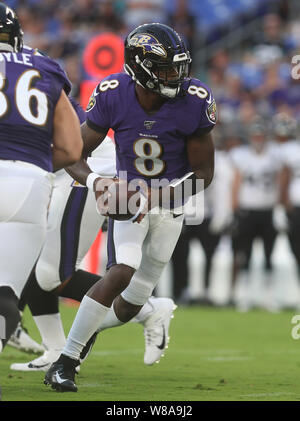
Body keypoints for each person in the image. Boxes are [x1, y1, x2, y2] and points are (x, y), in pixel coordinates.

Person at [44, 22, 216, 392]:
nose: (178, 76)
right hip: (127, 200)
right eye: (168, 68)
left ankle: (146, 312)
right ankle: (65, 361)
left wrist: (157, 196)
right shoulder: (112, 95)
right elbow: (75, 151)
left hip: (170, 206)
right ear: (140, 68)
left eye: (179, 67)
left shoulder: (194, 99)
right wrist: (96, 181)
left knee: (128, 306)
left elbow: (203, 174)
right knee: (121, 270)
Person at [0, 0, 82, 362]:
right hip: (31, 183)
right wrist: (33, 167)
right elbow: (71, 147)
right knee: (5, 295)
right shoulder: (44, 66)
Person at [229, 117, 282, 312]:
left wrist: (280, 208)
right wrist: (234, 209)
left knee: (269, 255)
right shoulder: (242, 156)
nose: (258, 138)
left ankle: (268, 297)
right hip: (248, 211)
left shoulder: (274, 156)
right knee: (246, 254)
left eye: (261, 135)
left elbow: (280, 181)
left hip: (268, 211)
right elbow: (236, 183)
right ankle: (245, 296)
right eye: (255, 135)